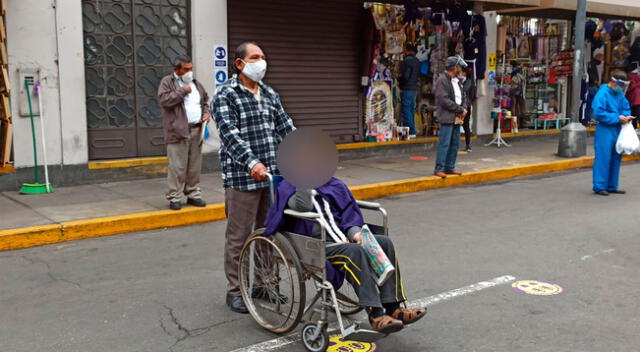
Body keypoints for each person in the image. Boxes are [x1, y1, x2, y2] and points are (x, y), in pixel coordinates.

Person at [264, 130, 426, 334]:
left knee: (384, 243)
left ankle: (393, 307)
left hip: (341, 237)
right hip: (317, 245)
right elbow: (303, 206)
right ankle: (375, 314)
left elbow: (348, 212)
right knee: (353, 252)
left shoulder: (334, 184)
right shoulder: (289, 188)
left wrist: (355, 231)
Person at [212, 42, 295, 313]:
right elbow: (229, 135)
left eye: (263, 57)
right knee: (239, 236)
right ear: (239, 64)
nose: (262, 62)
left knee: (268, 232)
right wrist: (252, 163)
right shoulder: (225, 95)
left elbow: (286, 126)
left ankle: (264, 283)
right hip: (242, 178)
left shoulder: (270, 93)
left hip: (271, 176)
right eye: (255, 57)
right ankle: (235, 290)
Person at [158, 56, 211, 211]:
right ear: (176, 70)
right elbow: (164, 100)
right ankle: (175, 196)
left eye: (191, 68)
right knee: (177, 166)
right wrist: (182, 91)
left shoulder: (196, 84)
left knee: (194, 165)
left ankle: (193, 193)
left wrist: (207, 113)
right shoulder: (168, 82)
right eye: (186, 69)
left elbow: (205, 101)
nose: (190, 72)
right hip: (178, 131)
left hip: (196, 129)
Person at [591, 71, 634, 196]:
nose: (622, 88)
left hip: (618, 128)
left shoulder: (620, 95)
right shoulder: (602, 94)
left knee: (616, 157)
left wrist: (626, 116)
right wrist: (618, 117)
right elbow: (598, 114)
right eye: (621, 85)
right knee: (603, 157)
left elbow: (626, 107)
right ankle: (599, 186)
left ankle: (612, 186)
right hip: (605, 129)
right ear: (614, 82)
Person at [433, 55, 468, 178]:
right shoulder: (442, 80)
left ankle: (450, 167)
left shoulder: (457, 80)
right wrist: (460, 109)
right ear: (454, 67)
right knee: (445, 144)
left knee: (455, 144)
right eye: (458, 66)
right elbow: (444, 100)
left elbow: (462, 96)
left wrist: (463, 108)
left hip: (457, 117)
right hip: (448, 116)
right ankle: (439, 168)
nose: (460, 69)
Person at [398, 43, 421, 138]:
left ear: (407, 50)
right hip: (414, 88)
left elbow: (406, 76)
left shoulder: (407, 61)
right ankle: (412, 131)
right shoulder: (417, 61)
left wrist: (399, 79)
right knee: (411, 109)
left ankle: (410, 131)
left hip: (407, 88)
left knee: (406, 109)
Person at [460, 67, 475, 152]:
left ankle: (468, 145)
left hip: (466, 106)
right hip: (461, 106)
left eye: (461, 72)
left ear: (465, 73)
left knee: (466, 126)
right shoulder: (461, 81)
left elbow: (464, 90)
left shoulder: (468, 82)